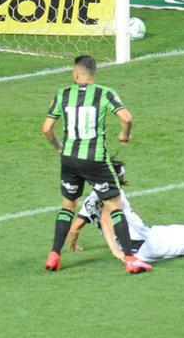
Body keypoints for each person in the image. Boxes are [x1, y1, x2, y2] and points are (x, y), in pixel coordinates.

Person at [41, 55, 153, 274]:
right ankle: (130, 258)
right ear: (93, 73)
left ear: (76, 73)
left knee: (67, 206)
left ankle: (54, 255)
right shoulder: (105, 93)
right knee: (114, 206)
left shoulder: (63, 94)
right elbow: (127, 118)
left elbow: (46, 129)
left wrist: (58, 146)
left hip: (70, 159)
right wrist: (124, 134)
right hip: (96, 160)